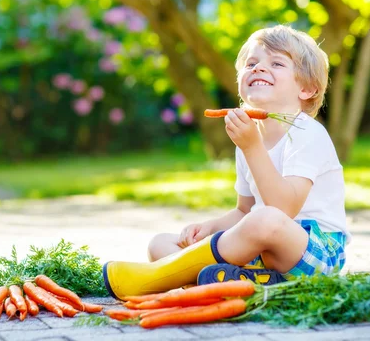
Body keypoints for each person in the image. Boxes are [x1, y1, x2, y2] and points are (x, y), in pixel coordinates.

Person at [102, 24, 350, 299]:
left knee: (266, 218)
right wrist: (210, 227)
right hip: (260, 253)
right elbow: (244, 211)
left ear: (306, 89)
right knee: (161, 244)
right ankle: (250, 286)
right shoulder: (249, 135)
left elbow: (283, 209)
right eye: (251, 63)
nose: (258, 68)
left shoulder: (307, 133)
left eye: (276, 63)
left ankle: (157, 278)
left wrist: (252, 147)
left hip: (313, 254)